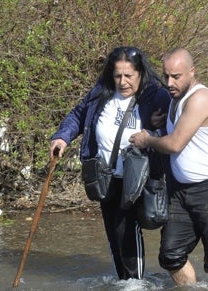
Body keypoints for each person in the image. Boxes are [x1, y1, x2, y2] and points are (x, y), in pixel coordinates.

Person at [49, 46, 170, 280]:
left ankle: (135, 283)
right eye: (117, 75)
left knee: (126, 229)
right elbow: (78, 114)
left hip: (137, 177)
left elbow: (176, 127)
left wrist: (157, 128)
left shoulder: (156, 96)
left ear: (141, 73)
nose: (122, 82)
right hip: (106, 175)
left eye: (129, 76)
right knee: (114, 232)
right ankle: (124, 280)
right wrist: (62, 137)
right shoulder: (101, 92)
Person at [129, 48, 208, 291]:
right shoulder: (174, 99)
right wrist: (157, 129)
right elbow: (175, 136)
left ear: (192, 72)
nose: (169, 83)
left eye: (176, 76)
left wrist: (146, 140)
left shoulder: (201, 98)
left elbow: (175, 143)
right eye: (166, 76)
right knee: (171, 255)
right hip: (182, 191)